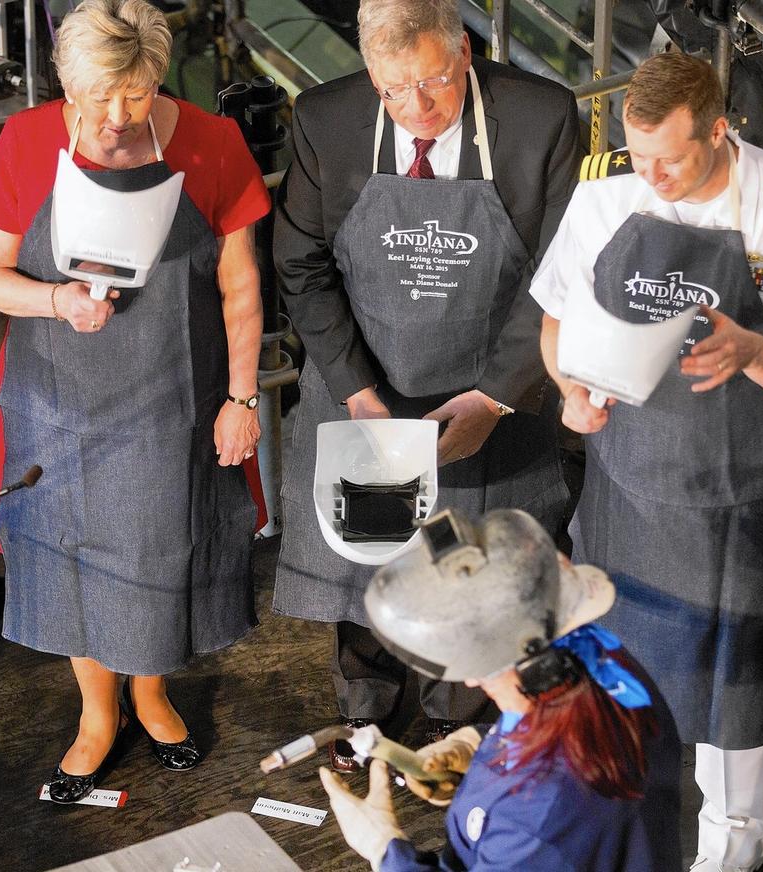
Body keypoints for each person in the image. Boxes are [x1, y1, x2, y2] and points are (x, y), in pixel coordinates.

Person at [529, 53, 763, 872]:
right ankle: (608, 829)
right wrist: (571, 391)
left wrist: (753, 350)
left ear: (719, 130)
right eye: (642, 158)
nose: (654, 177)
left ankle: (735, 846)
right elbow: (555, 320)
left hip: (739, 496)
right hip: (627, 485)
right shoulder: (609, 188)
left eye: (671, 160)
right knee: (613, 674)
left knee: (735, 691)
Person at [0, 0, 268, 803]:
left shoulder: (211, 145)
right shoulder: (26, 144)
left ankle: (151, 693)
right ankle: (96, 715)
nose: (113, 117)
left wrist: (243, 396)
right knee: (71, 561)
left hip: (169, 400)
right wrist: (56, 301)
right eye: (96, 97)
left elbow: (240, 287)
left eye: (134, 95)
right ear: (64, 83)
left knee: (156, 551)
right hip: (55, 405)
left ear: (157, 78)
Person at [272, 0, 581, 767]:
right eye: (393, 90)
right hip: (363, 384)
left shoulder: (541, 118)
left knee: (472, 564)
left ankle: (461, 718)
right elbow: (300, 265)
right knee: (361, 562)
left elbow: (562, 270)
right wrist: (355, 390)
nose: (417, 109)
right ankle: (366, 708)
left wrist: (495, 395)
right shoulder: (324, 120)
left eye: (433, 84)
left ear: (465, 54)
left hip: (489, 391)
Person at [318, 507, 681, 871]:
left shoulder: (536, 816)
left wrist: (382, 844)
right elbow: (553, 735)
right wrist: (475, 747)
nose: (469, 680)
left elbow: (545, 800)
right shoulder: (599, 655)